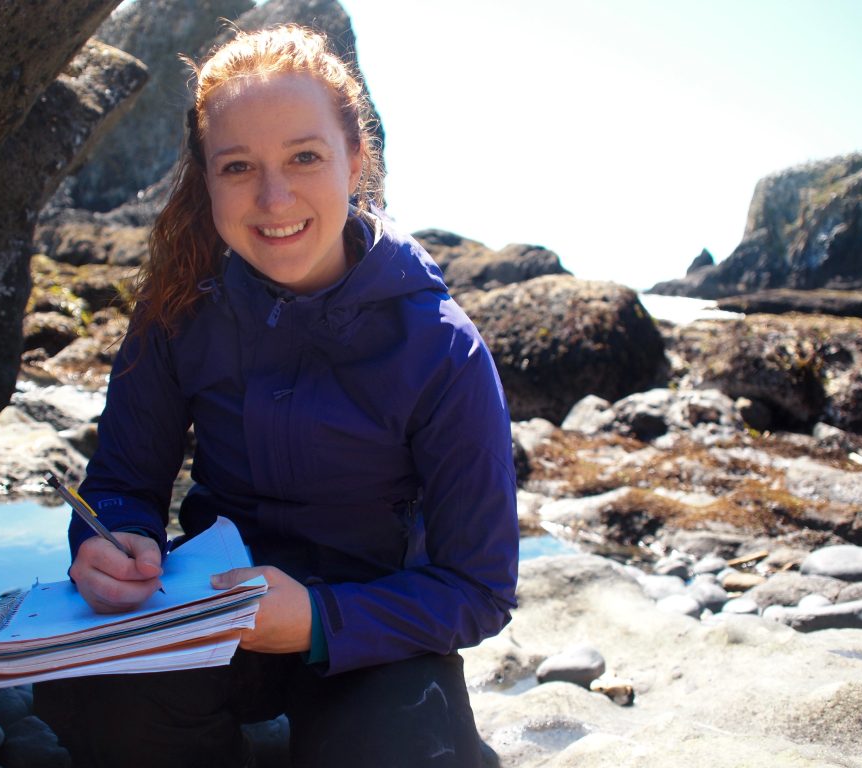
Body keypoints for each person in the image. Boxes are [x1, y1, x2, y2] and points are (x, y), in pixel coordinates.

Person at [34, 23, 518, 768]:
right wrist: (108, 540)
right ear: (206, 178)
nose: (273, 196)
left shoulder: (443, 349)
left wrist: (320, 620)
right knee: (91, 696)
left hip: (377, 634)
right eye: (237, 167)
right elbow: (124, 486)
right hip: (209, 617)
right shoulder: (176, 312)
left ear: (355, 161)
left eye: (304, 157)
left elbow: (477, 589)